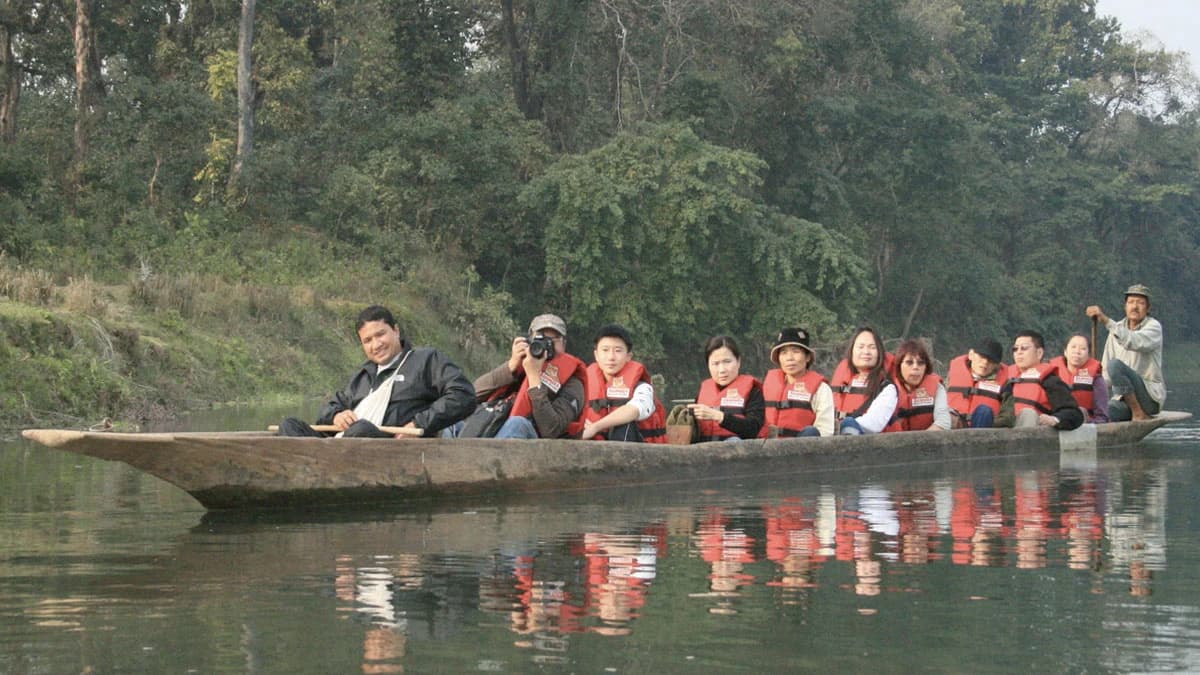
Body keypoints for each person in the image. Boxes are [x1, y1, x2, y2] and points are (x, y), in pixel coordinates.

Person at [277, 305, 476, 438]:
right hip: (344, 446)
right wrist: (336, 415)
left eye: (380, 334)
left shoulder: (426, 360)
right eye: (368, 340)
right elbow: (328, 408)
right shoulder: (363, 376)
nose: (376, 345)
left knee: (361, 430)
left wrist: (418, 424)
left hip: (389, 449)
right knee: (289, 425)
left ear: (396, 331)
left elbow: (463, 395)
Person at [470, 313, 588, 439]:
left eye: (554, 340)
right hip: (496, 433)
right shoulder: (521, 366)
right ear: (529, 340)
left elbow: (551, 429)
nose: (546, 345)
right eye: (540, 339)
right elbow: (470, 394)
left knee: (518, 424)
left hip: (541, 450)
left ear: (564, 345)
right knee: (454, 422)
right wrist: (510, 366)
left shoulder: (573, 383)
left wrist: (534, 378)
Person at [1086, 284, 1165, 421]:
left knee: (1115, 365)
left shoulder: (1153, 327)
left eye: (1140, 303)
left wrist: (1105, 320)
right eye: (1131, 302)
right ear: (1125, 306)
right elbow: (1106, 374)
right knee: (1103, 412)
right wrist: (1090, 389)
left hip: (1148, 398)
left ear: (1148, 308)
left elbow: (1133, 341)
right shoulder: (1115, 331)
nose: (1135, 307)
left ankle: (1138, 413)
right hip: (1122, 399)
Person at [581, 324, 668, 443]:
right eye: (605, 350)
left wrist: (595, 427)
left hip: (639, 454)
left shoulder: (643, 387)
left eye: (617, 351)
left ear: (628, 356)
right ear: (596, 355)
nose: (611, 357)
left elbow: (634, 410)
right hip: (594, 450)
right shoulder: (583, 386)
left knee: (624, 424)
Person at [997, 330, 1084, 431]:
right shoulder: (1007, 380)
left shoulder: (1050, 381)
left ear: (1039, 353)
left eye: (1024, 348)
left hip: (1032, 433)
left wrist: (1054, 419)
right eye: (1015, 349)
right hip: (1003, 431)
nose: (1019, 352)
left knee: (1028, 413)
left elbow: (1074, 413)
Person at [689, 335, 766, 441]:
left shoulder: (754, 391)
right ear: (708, 366)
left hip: (739, 451)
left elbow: (753, 428)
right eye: (715, 364)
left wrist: (720, 417)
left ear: (738, 362)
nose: (722, 370)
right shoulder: (704, 390)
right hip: (705, 451)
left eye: (727, 362)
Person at [761, 327, 834, 437]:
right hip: (766, 447)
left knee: (811, 431)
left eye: (796, 351)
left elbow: (825, 430)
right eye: (784, 353)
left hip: (802, 448)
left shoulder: (822, 389)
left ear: (808, 357)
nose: (789, 358)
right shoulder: (766, 386)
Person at [831, 327, 898, 435]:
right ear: (852, 351)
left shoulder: (887, 388)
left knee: (849, 424)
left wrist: (847, 425)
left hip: (871, 445)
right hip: (836, 437)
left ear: (879, 352)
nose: (866, 352)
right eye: (860, 347)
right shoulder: (841, 380)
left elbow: (874, 424)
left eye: (872, 347)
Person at [945, 338, 1008, 429]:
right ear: (971, 355)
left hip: (985, 428)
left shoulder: (1006, 382)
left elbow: (1007, 416)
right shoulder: (952, 375)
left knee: (984, 411)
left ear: (997, 365)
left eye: (991, 360)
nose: (985, 362)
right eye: (981, 357)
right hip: (955, 426)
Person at [891, 339, 951, 431]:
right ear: (899, 365)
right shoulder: (887, 389)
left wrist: (919, 442)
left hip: (930, 442)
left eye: (921, 363)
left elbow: (943, 423)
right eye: (909, 362)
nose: (916, 367)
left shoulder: (937, 387)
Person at [1049, 333, 1109, 423]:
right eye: (1073, 347)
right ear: (1065, 351)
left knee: (1080, 411)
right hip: (1055, 420)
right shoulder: (1052, 374)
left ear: (1089, 354)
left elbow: (1102, 417)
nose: (1077, 351)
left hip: (1085, 424)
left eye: (1083, 349)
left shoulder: (1097, 379)